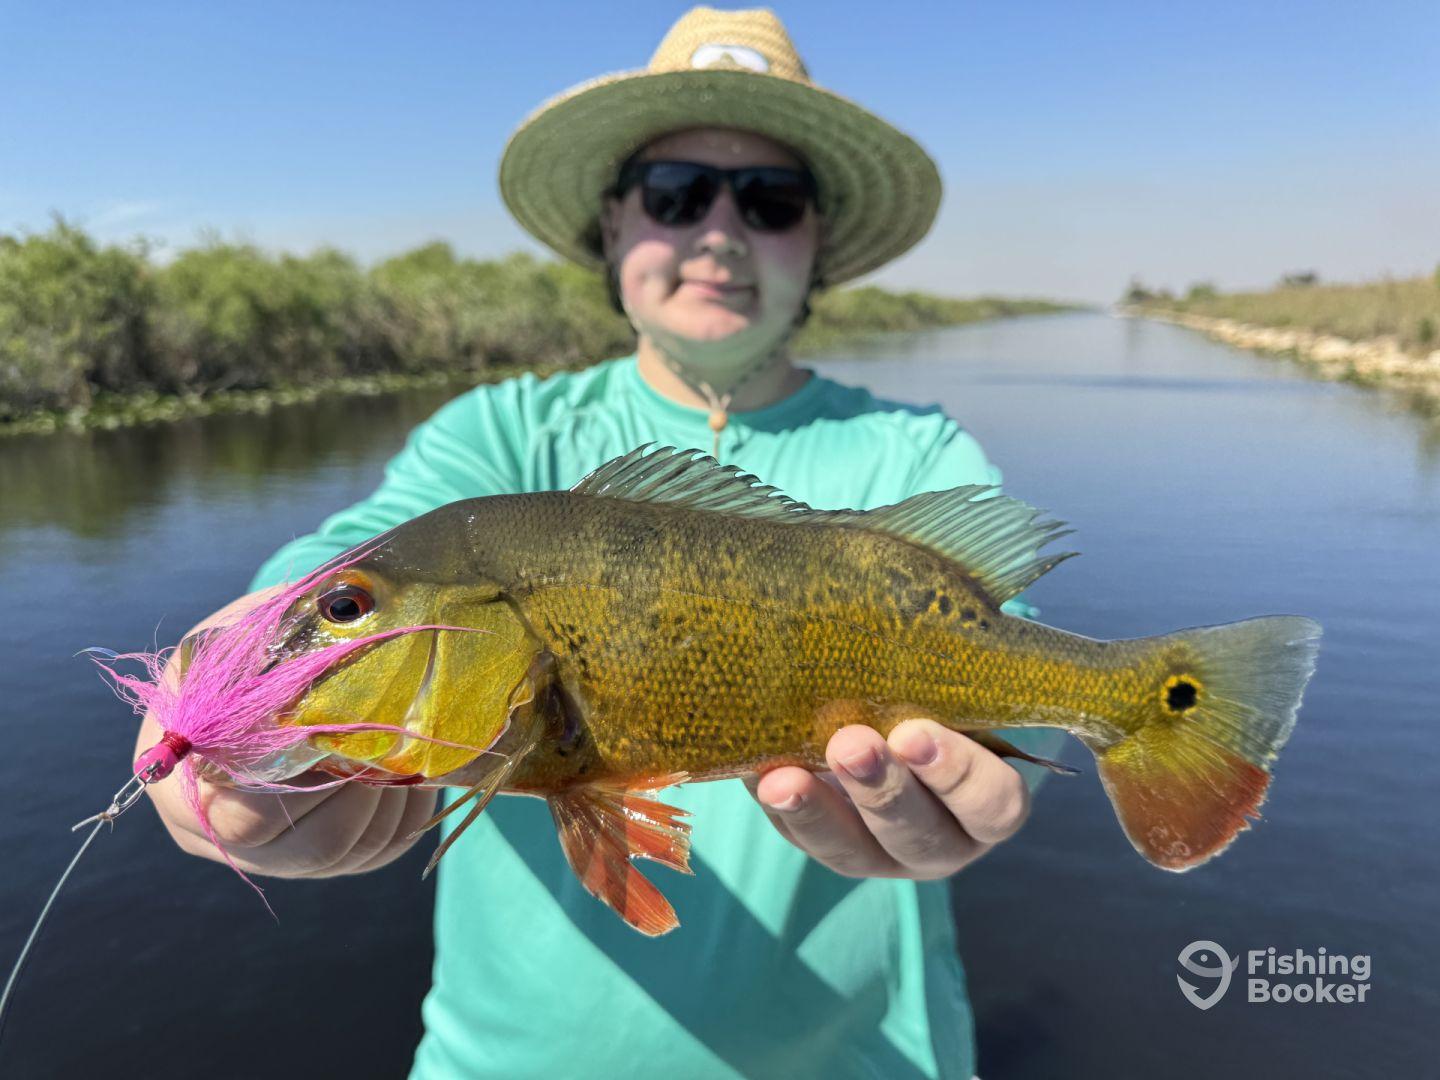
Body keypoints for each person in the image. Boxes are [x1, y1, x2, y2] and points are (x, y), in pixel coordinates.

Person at [137, 8, 1061, 1077]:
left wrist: (1001, 786)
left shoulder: (912, 451)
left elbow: (1009, 648)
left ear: (818, 245)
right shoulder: (500, 439)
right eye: (675, 193)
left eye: (771, 200)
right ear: (615, 225)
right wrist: (216, 714)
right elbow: (331, 574)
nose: (720, 232)